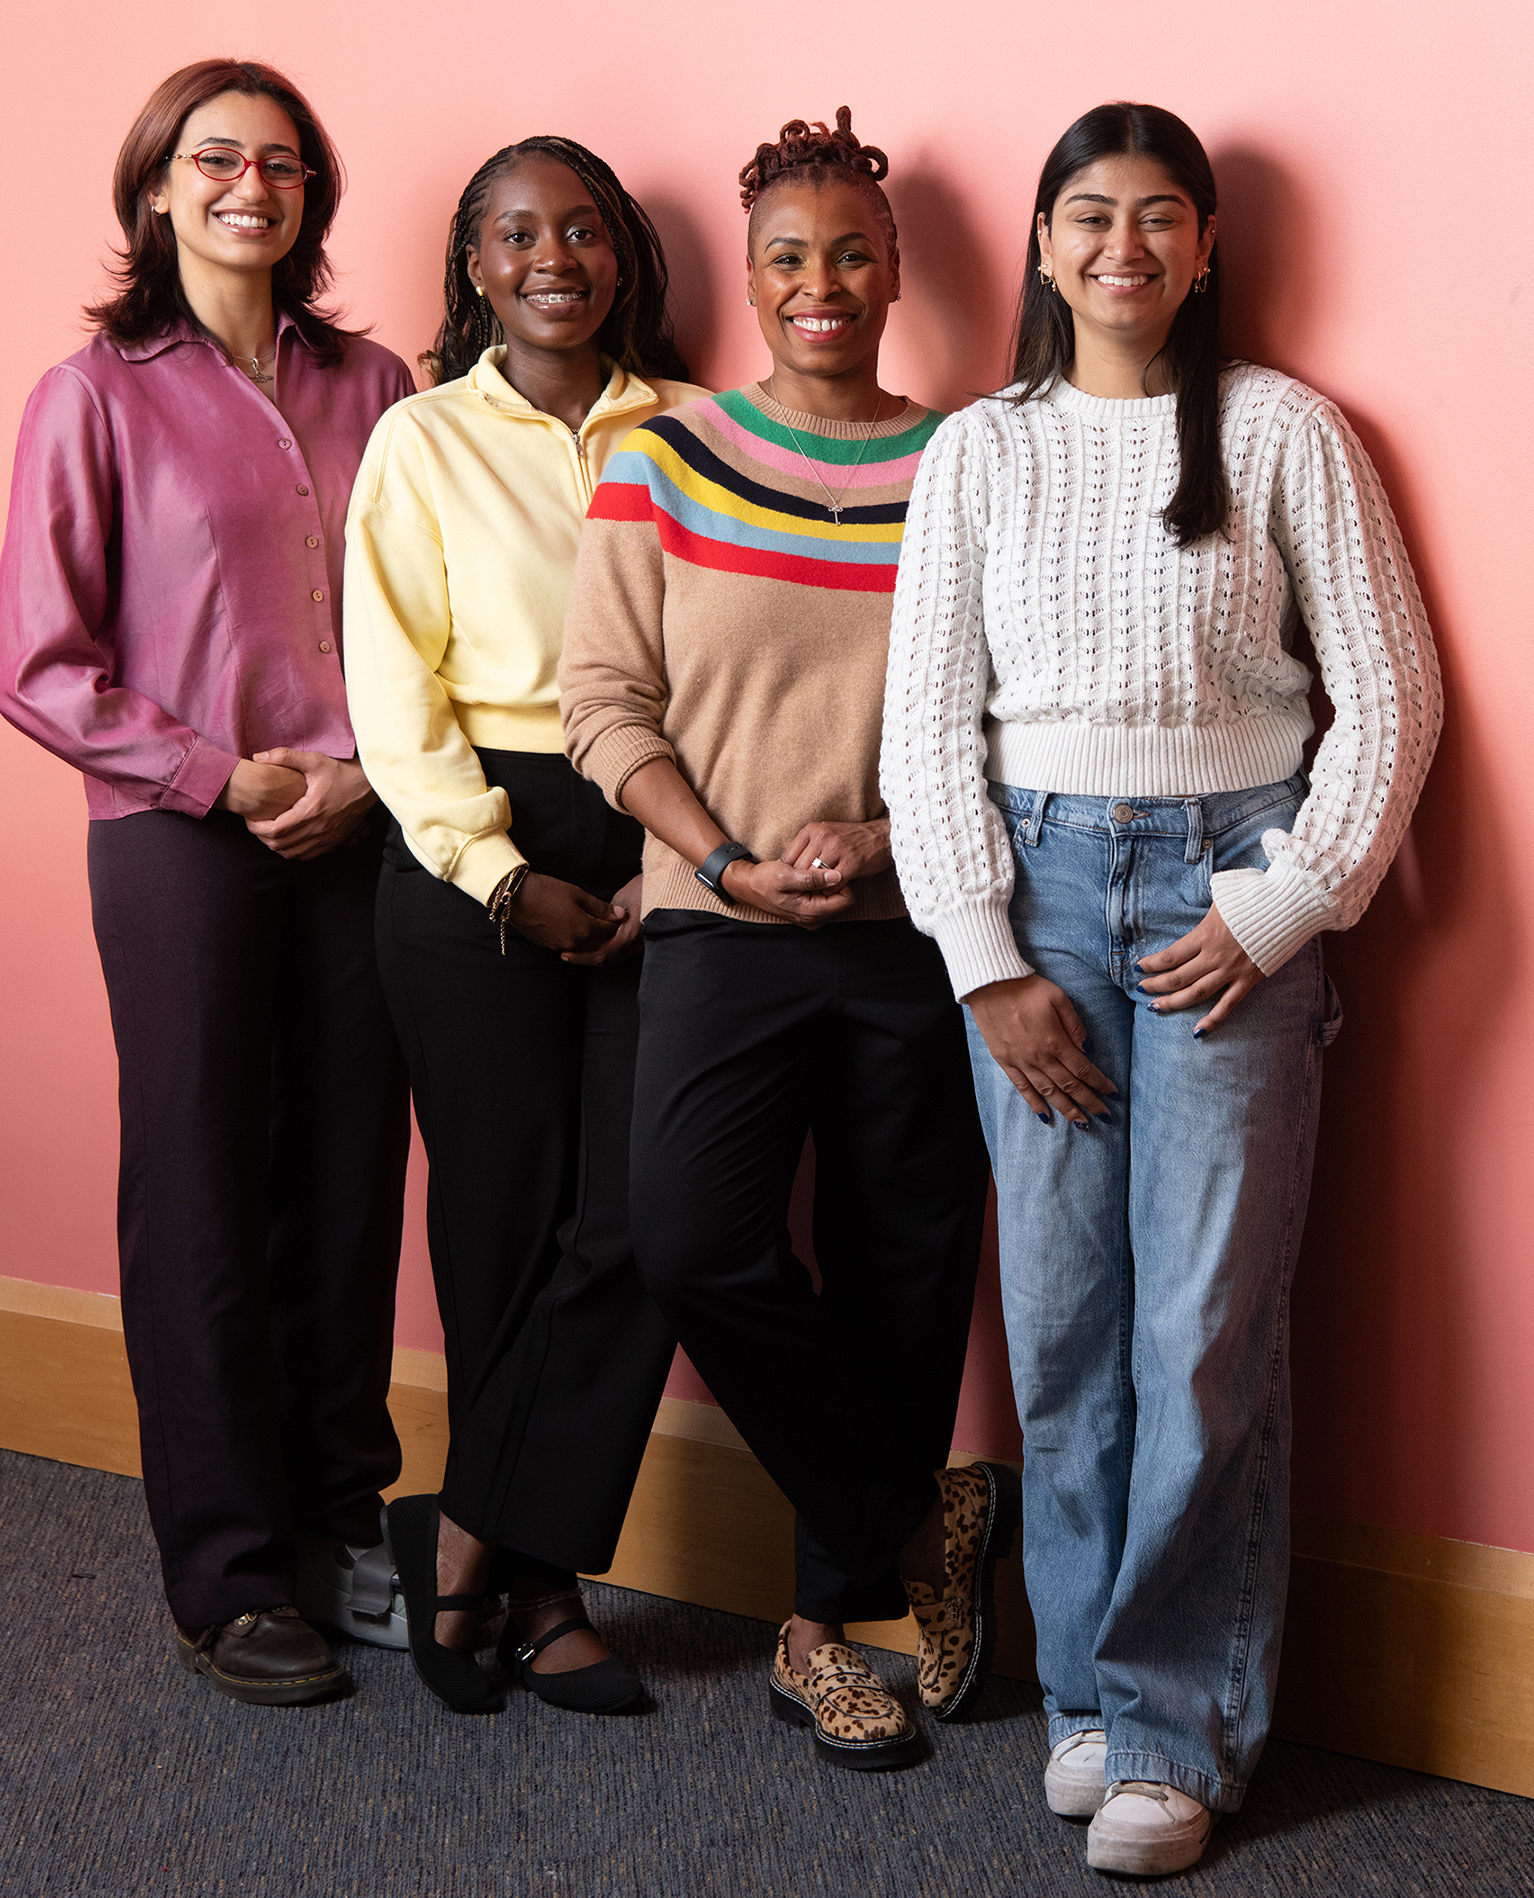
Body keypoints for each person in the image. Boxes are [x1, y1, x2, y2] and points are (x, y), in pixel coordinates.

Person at [882, 101, 1441, 1872]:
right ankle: (1084, 1702)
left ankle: (1176, 1726)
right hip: (1036, 891)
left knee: (1200, 1331)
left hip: (1224, 892)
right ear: (1042, 244)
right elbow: (924, 728)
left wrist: (1281, 907)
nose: (1120, 246)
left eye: (1157, 218)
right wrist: (985, 962)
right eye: (1084, 216)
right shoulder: (980, 448)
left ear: (1204, 246)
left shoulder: (1283, 431)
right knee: (1058, 1330)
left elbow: (1393, 696)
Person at [559, 108, 1008, 1772]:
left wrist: (887, 842)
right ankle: (920, 1519)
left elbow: (1004, 717)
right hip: (717, 921)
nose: (820, 284)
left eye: (850, 255)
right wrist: (730, 859)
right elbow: (601, 705)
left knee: (904, 1274)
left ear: (897, 271)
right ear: (747, 282)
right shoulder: (659, 452)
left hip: (917, 924)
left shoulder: (970, 460)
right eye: (785, 261)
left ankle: (818, 1634)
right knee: (693, 1241)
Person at [0, 59, 417, 1705]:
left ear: (311, 198)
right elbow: (39, 660)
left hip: (357, 826)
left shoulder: (374, 382)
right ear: (157, 187)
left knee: (347, 1183)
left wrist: (364, 779)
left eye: (285, 163)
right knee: (201, 1187)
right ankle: (226, 1566)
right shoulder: (91, 392)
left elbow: (417, 628)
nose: (253, 183)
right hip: (180, 839)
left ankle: (334, 1513)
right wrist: (213, 774)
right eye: (215, 158)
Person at [343, 137, 708, 1717]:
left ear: (620, 254)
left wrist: (676, 859)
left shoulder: (700, 429)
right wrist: (496, 872)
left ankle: (473, 1530)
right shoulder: (419, 439)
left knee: (641, 1207)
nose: (550, 252)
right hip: (468, 845)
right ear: (473, 268)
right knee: (496, 1221)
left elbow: (746, 644)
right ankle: (548, 1590)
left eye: (579, 227)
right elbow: (390, 687)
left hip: (666, 827)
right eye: (514, 232)